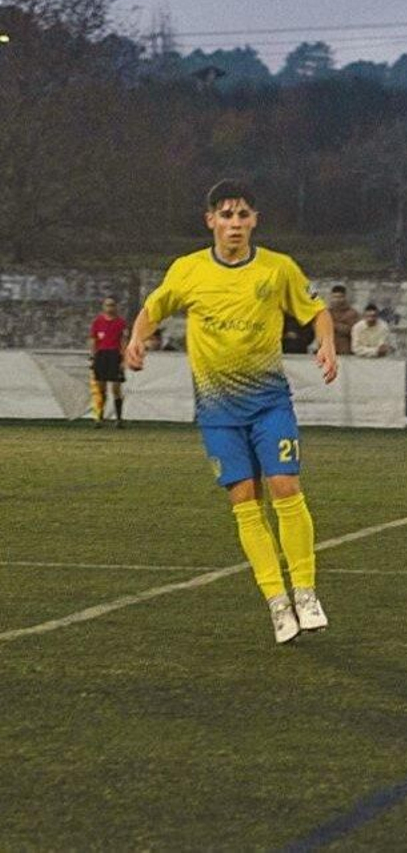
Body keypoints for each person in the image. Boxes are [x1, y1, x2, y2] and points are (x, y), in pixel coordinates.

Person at [124, 179, 337, 645]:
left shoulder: (277, 269)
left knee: (285, 485)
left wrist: (328, 342)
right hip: (218, 410)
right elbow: (152, 308)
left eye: (243, 215)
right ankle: (277, 604)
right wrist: (137, 337)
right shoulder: (188, 271)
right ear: (210, 221)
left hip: (269, 403)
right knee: (245, 500)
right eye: (226, 215)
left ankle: (305, 593)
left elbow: (316, 310)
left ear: (255, 220)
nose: (235, 224)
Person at [88, 296, 128, 428]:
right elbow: (94, 341)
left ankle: (119, 419)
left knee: (116, 388)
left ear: (116, 307)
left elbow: (123, 341)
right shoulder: (97, 322)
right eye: (107, 305)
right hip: (101, 355)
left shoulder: (121, 323)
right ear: (103, 307)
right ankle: (99, 417)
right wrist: (93, 357)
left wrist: (123, 359)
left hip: (114, 355)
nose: (110, 308)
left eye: (112, 305)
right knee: (101, 389)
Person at [325, 284, 360, 355]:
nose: (337, 300)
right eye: (335, 297)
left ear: (345, 297)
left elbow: (352, 331)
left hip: (345, 350)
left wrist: (333, 325)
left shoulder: (352, 313)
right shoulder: (326, 313)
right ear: (331, 297)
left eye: (340, 297)